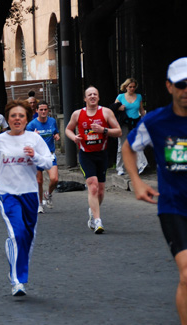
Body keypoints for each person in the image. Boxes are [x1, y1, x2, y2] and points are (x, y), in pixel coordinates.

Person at [122, 57, 187, 325]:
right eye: (181, 85)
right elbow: (128, 148)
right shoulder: (157, 122)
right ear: (169, 87)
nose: (186, 91)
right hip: (174, 206)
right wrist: (136, 181)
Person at [0, 99, 52, 296]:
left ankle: (13, 249)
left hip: (29, 192)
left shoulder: (34, 139)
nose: (17, 119)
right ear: (8, 119)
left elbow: (48, 161)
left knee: (28, 235)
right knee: (18, 232)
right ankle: (17, 281)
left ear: (27, 118)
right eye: (13, 116)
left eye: (21, 116)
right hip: (6, 193)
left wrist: (35, 156)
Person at [65, 86, 122, 234]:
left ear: (98, 97)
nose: (92, 96)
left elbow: (118, 131)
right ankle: (97, 221)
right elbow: (68, 129)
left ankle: (93, 211)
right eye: (89, 94)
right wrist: (74, 138)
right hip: (86, 155)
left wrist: (103, 130)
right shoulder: (78, 114)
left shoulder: (106, 112)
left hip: (101, 154)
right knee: (93, 185)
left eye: (95, 94)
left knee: (101, 191)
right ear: (85, 99)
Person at [26, 102, 60, 213]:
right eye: (41, 109)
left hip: (49, 154)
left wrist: (56, 136)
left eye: (45, 109)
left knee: (54, 179)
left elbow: (56, 132)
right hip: (37, 155)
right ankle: (39, 204)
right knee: (39, 181)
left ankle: (48, 194)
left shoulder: (52, 121)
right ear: (37, 111)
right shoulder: (31, 125)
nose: (43, 112)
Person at [115, 78, 147, 175]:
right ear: (126, 87)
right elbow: (113, 109)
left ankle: (141, 165)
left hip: (136, 122)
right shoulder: (120, 97)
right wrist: (119, 108)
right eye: (130, 87)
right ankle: (120, 168)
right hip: (124, 123)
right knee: (122, 146)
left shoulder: (139, 97)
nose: (132, 89)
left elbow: (141, 110)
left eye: (133, 87)